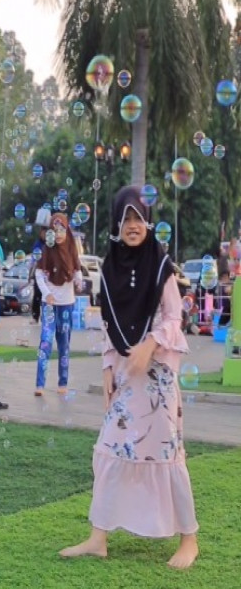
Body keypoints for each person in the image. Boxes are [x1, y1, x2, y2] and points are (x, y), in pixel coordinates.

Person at [60, 185, 199, 569]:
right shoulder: (109, 270)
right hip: (126, 373)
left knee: (166, 453)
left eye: (138, 218)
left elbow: (174, 317)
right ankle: (98, 538)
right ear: (116, 224)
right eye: (126, 219)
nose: (133, 226)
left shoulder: (161, 265)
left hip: (157, 377)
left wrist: (149, 344)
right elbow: (110, 325)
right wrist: (108, 367)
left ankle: (189, 540)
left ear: (148, 222)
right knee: (110, 447)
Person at [34, 213, 83, 397]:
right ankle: (40, 384)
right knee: (45, 343)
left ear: (67, 230)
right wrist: (46, 293)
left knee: (64, 345)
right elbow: (39, 274)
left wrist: (79, 281)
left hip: (67, 304)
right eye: (55, 230)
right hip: (49, 305)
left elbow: (77, 270)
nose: (59, 234)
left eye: (62, 230)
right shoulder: (47, 250)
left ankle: (63, 382)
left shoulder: (71, 248)